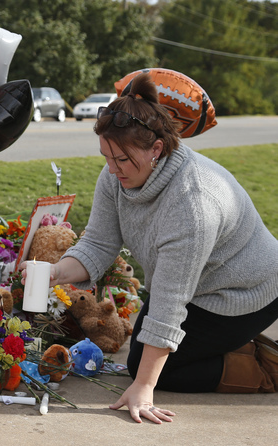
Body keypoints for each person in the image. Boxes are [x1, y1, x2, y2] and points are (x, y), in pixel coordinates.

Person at [21, 72, 278, 424]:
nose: (111, 170)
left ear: (156, 149)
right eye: (106, 157)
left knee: (163, 373)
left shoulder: (193, 202)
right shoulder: (115, 174)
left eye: (121, 160)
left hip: (245, 290)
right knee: (145, 354)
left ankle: (269, 369)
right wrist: (56, 272)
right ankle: (230, 346)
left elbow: (171, 303)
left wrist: (144, 387)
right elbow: (98, 241)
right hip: (196, 286)